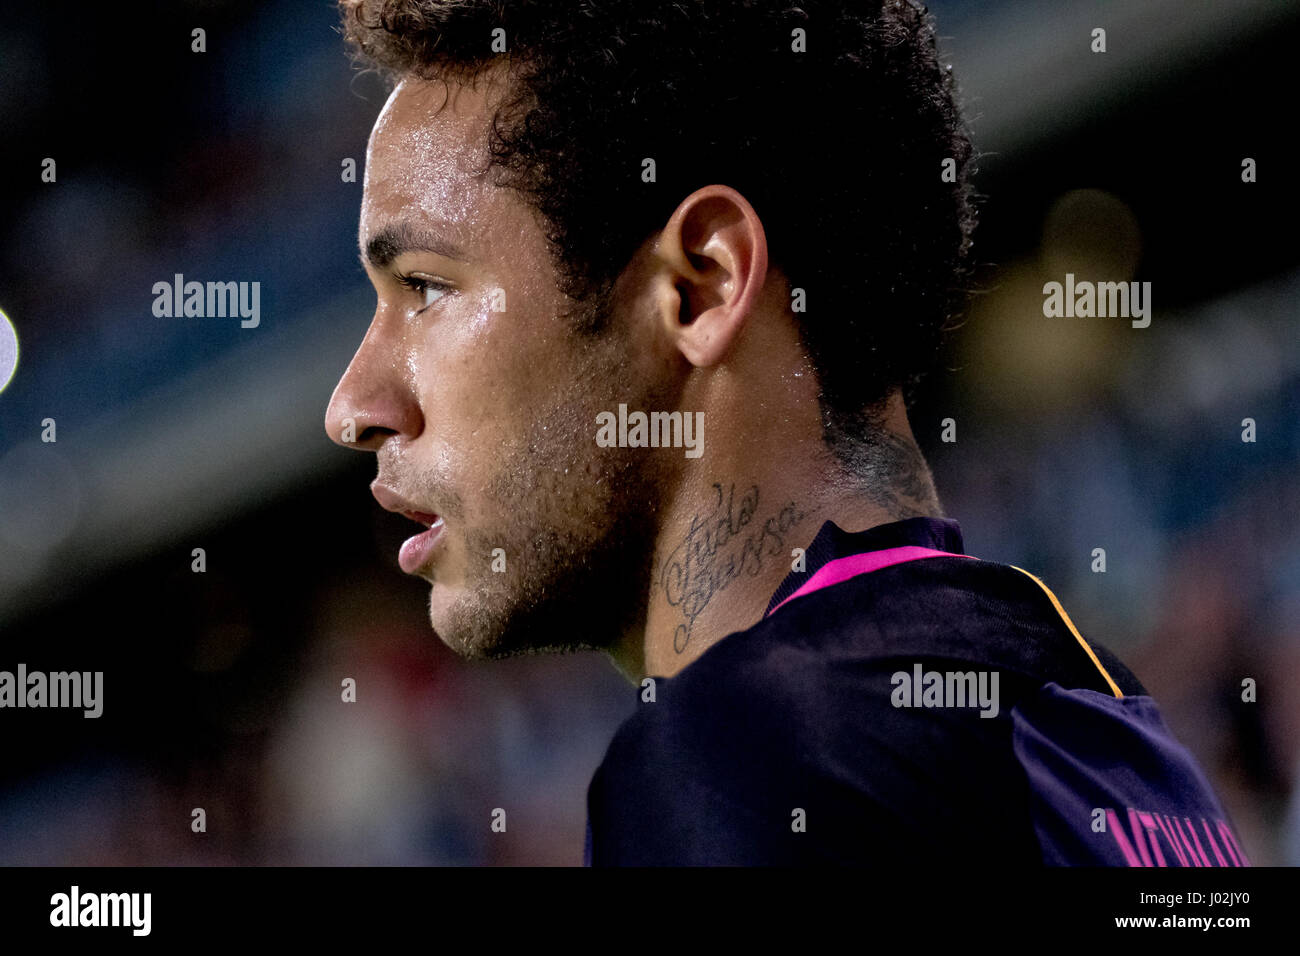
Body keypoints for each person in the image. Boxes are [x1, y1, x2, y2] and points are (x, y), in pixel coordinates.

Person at [323, 0, 1249, 866]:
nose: (354, 405)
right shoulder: (1110, 722)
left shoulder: (739, 756)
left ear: (703, 286)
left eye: (427, 288)